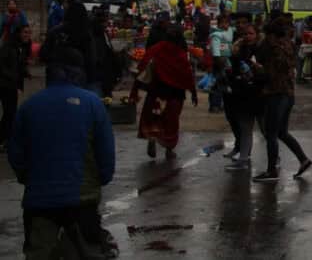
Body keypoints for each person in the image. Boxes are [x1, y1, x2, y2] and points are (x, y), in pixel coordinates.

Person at [7, 46, 116, 259]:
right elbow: (106, 156)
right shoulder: (93, 104)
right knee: (89, 252)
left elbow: (16, 154)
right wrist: (99, 180)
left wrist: (30, 180)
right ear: (78, 72)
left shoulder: (29, 106)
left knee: (39, 253)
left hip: (39, 203)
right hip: (82, 202)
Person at [252, 17, 311, 183]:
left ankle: (271, 171)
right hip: (288, 93)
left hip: (275, 93)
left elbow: (267, 70)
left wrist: (257, 69)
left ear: (270, 34)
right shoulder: (288, 45)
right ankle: (303, 159)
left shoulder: (271, 47)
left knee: (271, 133)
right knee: (282, 132)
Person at [130, 24, 198, 159]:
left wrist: (135, 89)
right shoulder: (180, 53)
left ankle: (153, 138)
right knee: (171, 121)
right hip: (175, 94)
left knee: (154, 117)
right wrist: (193, 92)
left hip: (156, 92)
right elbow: (187, 74)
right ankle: (169, 149)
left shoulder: (157, 48)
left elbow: (143, 65)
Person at [224, 23, 263, 171]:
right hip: (242, 93)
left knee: (266, 129)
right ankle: (243, 158)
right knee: (245, 127)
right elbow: (232, 70)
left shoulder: (262, 50)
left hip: (259, 93)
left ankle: (274, 158)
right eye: (245, 34)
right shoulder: (237, 50)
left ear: (256, 35)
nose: (248, 36)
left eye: (251, 33)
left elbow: (265, 72)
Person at [0, 24, 31, 149]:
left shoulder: (22, 47)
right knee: (9, 113)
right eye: (25, 32)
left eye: (29, 33)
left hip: (12, 85)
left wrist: (25, 73)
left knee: (10, 113)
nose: (27, 35)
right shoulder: (8, 46)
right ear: (18, 33)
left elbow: (19, 65)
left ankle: (5, 139)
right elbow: (1, 65)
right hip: (4, 84)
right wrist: (14, 76)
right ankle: (3, 139)